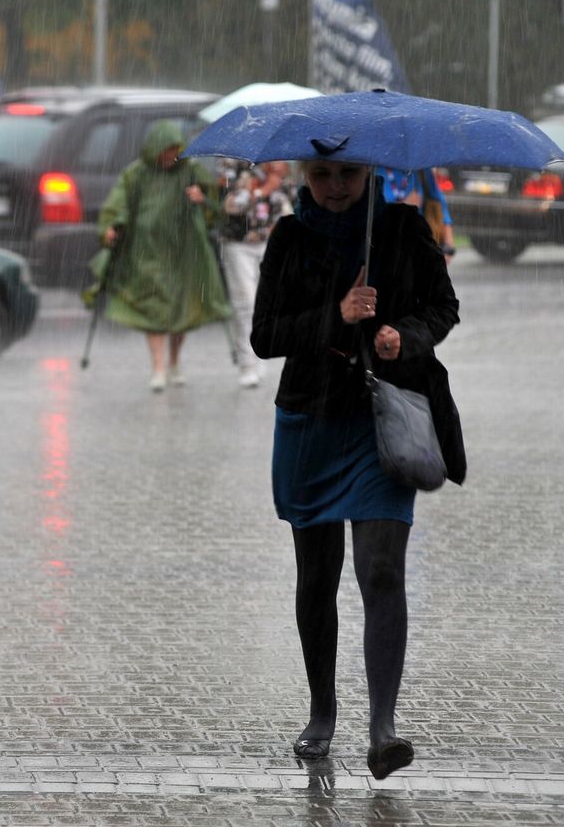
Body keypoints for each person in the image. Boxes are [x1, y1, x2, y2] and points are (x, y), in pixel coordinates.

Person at [250, 159, 465, 780]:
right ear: (304, 175)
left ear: (369, 171)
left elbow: (444, 307)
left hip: (383, 424)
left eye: (347, 172)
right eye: (322, 174)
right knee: (316, 577)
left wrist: (404, 334)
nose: (336, 186)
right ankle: (322, 710)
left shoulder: (401, 229)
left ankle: (383, 728)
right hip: (310, 425)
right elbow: (265, 335)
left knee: (380, 569)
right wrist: (336, 316)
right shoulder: (290, 238)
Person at [96, 120, 232, 391]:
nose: (171, 156)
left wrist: (201, 199)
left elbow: (218, 208)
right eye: (167, 150)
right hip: (146, 249)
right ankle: (158, 367)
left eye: (175, 150)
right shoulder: (136, 174)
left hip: (184, 250)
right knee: (154, 305)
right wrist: (111, 227)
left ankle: (174, 361)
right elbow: (118, 203)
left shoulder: (191, 170)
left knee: (180, 308)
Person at [218, 159, 296, 388]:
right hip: (239, 242)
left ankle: (263, 349)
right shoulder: (231, 163)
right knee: (246, 303)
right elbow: (230, 205)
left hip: (273, 241)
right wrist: (262, 187)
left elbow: (291, 200)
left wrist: (279, 181)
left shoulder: (282, 163)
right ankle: (247, 363)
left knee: (274, 302)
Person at [378, 167, 456, 264]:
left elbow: (439, 203)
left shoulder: (420, 167)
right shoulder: (372, 167)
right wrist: (402, 206)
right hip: (383, 248)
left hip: (416, 248)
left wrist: (448, 246)